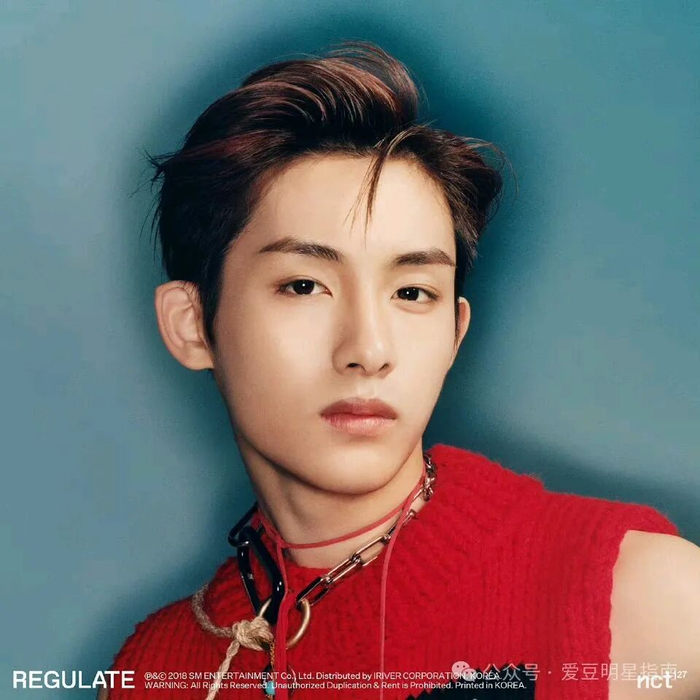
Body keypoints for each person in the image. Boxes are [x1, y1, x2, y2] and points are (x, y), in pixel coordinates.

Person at [101, 41, 700, 700]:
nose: (369, 348)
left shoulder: (645, 599)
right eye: (304, 285)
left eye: (413, 293)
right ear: (192, 324)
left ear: (454, 334)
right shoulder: (153, 670)